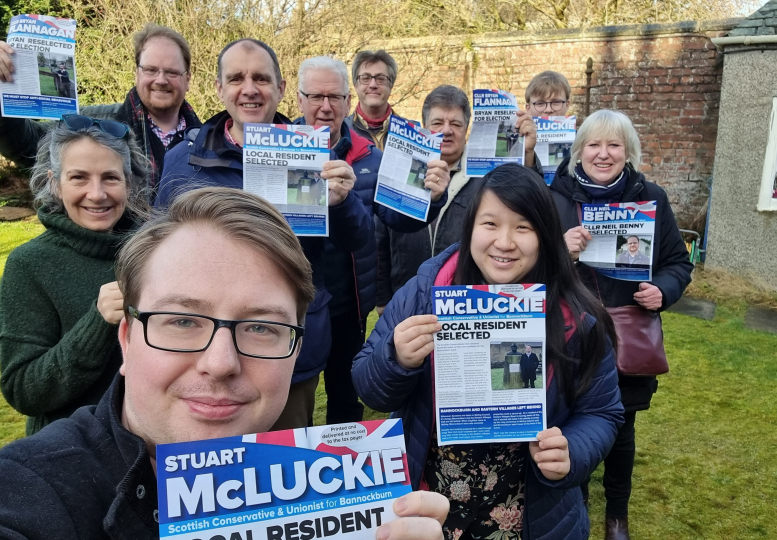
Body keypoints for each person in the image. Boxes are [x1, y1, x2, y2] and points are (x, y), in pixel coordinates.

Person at [0, 187, 450, 540]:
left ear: (294, 353)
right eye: (181, 321)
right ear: (126, 338)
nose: (220, 363)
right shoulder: (27, 492)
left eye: (260, 328)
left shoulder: (345, 505)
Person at [354, 164, 624, 540]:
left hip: (526, 507)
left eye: (523, 227)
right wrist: (396, 359)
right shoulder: (424, 292)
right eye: (491, 224)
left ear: (545, 235)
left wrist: (571, 452)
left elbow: (602, 412)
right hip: (431, 495)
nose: (505, 242)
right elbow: (368, 387)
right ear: (471, 228)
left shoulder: (578, 318)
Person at [156, 39, 373, 430]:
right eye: (236, 78)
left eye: (261, 78)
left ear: (281, 88)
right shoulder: (183, 159)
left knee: (282, 463)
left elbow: (358, 241)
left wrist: (342, 203)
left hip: (286, 344)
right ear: (220, 89)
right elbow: (157, 252)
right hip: (204, 347)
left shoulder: (314, 153)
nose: (249, 88)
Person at [551, 109, 694, 540]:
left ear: (627, 151)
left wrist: (663, 291)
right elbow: (522, 266)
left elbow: (677, 263)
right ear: (579, 150)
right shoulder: (554, 198)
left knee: (621, 428)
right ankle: (571, 501)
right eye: (594, 144)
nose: (603, 153)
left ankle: (617, 516)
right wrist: (561, 249)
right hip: (566, 335)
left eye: (614, 145)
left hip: (627, 337)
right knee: (566, 421)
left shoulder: (651, 197)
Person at [295, 56, 450, 425]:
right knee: (293, 398)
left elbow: (399, 218)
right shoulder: (275, 150)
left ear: (349, 102)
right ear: (299, 100)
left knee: (347, 397)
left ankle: (343, 473)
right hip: (293, 301)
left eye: (335, 97)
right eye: (315, 96)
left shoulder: (369, 156)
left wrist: (432, 198)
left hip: (350, 303)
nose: (325, 106)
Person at [0, 116, 149, 435]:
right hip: (70, 461)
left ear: (128, 181)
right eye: (79, 177)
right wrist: (98, 323)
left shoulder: (154, 252)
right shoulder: (29, 264)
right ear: (55, 183)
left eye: (110, 178)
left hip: (151, 453)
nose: (96, 194)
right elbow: (23, 389)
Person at [374, 85, 541, 316]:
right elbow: (380, 237)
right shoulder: (399, 170)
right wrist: (383, 298)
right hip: (406, 296)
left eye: (455, 124)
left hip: (466, 303)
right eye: (437, 123)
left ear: (467, 129)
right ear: (425, 127)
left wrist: (528, 155)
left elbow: (532, 204)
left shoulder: (488, 175)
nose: (446, 130)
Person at [0, 24, 201, 188]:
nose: (161, 80)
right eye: (150, 70)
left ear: (188, 79)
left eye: (172, 72)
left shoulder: (212, 141)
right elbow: (27, 145)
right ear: (137, 73)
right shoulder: (93, 123)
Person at [346, 50, 401, 151]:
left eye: (381, 78)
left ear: (391, 85)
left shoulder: (412, 134)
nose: (373, 85)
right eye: (365, 78)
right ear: (355, 85)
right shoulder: (341, 131)